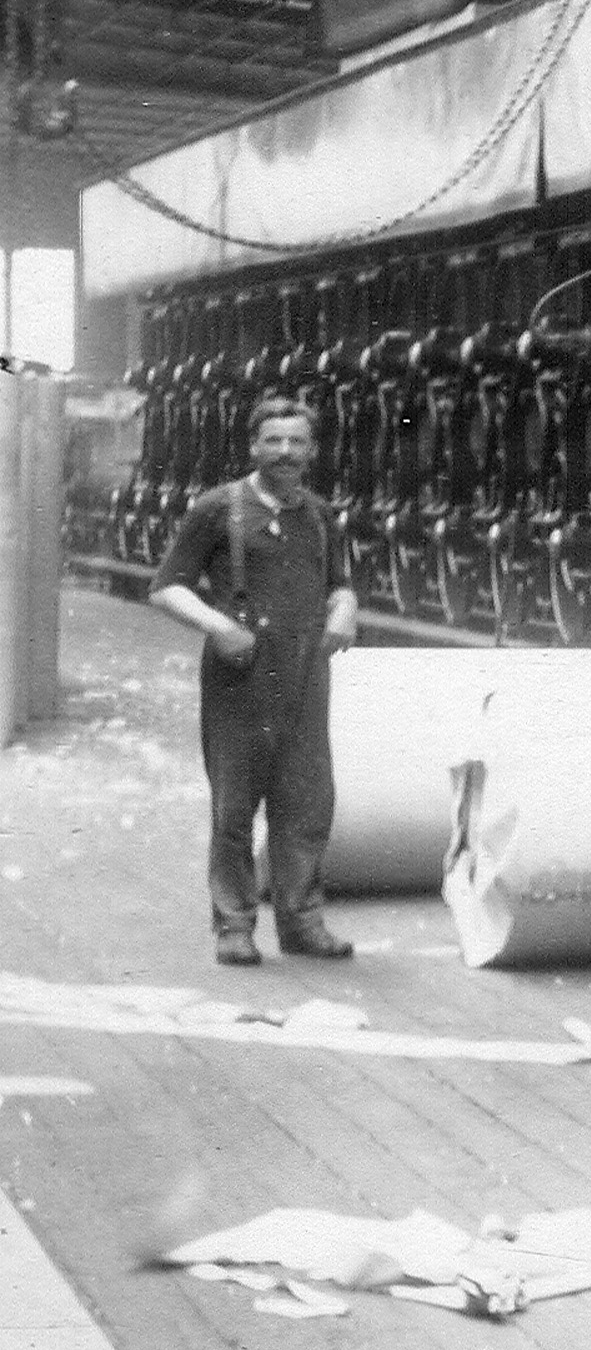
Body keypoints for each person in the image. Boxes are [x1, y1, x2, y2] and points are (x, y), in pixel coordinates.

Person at [147, 394, 361, 966]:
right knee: (235, 809)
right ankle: (235, 926)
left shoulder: (320, 515)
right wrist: (218, 625)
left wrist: (345, 607)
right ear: (253, 446)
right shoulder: (218, 508)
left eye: (296, 442)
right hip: (239, 678)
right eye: (273, 441)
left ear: (312, 451)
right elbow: (166, 586)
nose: (285, 452)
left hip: (305, 676)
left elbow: (339, 582)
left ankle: (301, 923)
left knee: (306, 806)